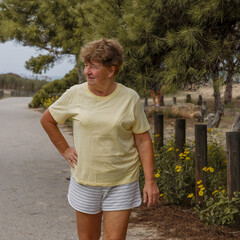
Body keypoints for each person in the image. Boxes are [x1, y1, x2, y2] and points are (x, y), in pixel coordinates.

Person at [40, 38, 159, 240]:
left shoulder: (130, 98)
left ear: (111, 70)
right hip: (85, 180)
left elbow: (143, 140)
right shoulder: (75, 94)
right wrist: (65, 150)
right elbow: (47, 120)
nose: (87, 71)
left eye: (93, 67)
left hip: (122, 181)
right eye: (86, 65)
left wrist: (150, 181)